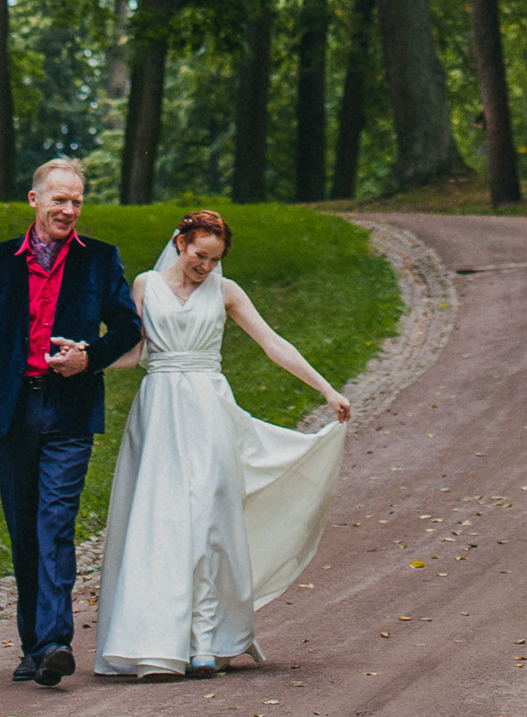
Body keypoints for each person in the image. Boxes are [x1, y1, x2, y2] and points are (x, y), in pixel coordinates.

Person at [92, 206, 351, 680]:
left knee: (209, 516)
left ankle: (206, 641)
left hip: (209, 409)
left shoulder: (226, 292)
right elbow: (131, 353)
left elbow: (273, 344)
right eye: (199, 255)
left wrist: (326, 389)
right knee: (161, 519)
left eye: (214, 259)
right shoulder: (146, 286)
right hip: (160, 410)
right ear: (180, 243)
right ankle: (154, 641)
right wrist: (83, 361)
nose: (205, 266)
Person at [0, 155, 141, 686]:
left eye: (76, 201)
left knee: (55, 523)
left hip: (68, 409)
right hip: (13, 409)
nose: (68, 209)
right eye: (59, 199)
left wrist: (88, 358)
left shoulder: (99, 259)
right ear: (35, 200)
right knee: (24, 528)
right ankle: (33, 647)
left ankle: (54, 642)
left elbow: (127, 327)